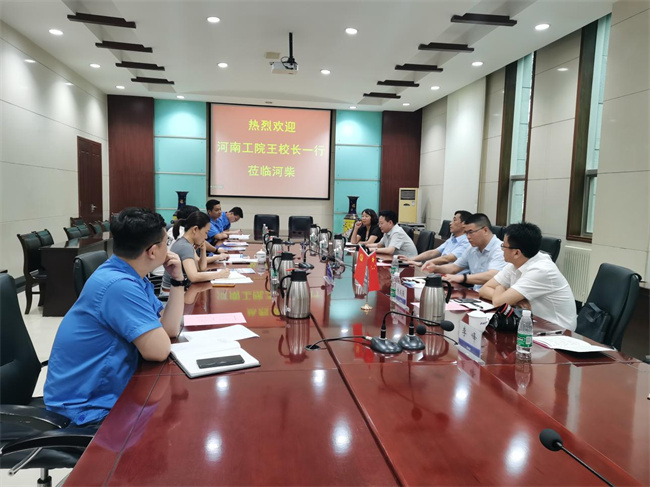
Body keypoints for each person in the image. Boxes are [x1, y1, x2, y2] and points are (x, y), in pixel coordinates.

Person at [44, 208, 185, 426]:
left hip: (111, 393)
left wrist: (177, 280)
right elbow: (158, 351)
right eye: (166, 243)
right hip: (86, 411)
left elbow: (170, 330)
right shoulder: (119, 286)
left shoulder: (132, 276)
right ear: (152, 251)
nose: (169, 249)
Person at [479, 222, 577, 330]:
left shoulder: (541, 270)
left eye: (504, 246)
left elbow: (498, 302)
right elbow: (484, 290)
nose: (501, 249)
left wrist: (500, 288)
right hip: (530, 324)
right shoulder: (516, 263)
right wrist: (513, 298)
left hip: (557, 330)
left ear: (516, 253)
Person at [423, 213, 505, 290]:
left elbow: (493, 275)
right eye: (466, 233)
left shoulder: (500, 249)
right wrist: (435, 268)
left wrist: (462, 278)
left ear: (485, 230)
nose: (468, 237)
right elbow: (454, 268)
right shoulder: (472, 248)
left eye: (470, 232)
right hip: (475, 293)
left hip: (491, 296)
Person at [161, 211, 230, 293]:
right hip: (170, 293)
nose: (206, 237)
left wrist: (203, 249)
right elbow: (193, 277)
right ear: (195, 229)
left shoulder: (188, 243)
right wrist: (219, 274)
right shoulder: (185, 246)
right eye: (205, 232)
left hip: (177, 290)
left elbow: (201, 268)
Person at [399, 210, 471, 267]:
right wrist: (410, 259)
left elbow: (447, 259)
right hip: (441, 272)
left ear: (464, 224)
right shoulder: (452, 239)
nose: (450, 223)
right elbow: (432, 253)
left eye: (454, 220)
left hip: (454, 277)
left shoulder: (466, 242)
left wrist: (422, 263)